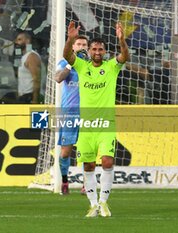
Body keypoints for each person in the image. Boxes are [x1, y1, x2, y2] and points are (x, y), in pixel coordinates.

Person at [63, 21, 129, 217]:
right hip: (87, 126)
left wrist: (122, 40)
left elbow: (125, 56)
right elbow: (66, 55)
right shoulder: (82, 67)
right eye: (94, 49)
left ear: (105, 51)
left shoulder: (111, 67)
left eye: (100, 49)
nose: (97, 52)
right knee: (88, 165)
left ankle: (103, 202)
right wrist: (70, 39)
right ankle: (93, 205)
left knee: (107, 162)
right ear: (89, 51)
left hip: (106, 125)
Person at [54, 35, 89, 195]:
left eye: (84, 44)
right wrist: (70, 64)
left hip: (87, 113)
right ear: (73, 47)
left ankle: (86, 183)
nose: (82, 46)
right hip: (69, 113)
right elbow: (58, 79)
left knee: (86, 150)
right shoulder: (64, 63)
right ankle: (65, 181)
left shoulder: (91, 65)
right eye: (79, 44)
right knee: (65, 152)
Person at [15, 31, 42, 103]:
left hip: (29, 96)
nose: (17, 42)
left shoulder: (31, 56)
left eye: (20, 39)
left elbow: (36, 78)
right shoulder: (24, 56)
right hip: (23, 96)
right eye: (17, 40)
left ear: (27, 41)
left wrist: (35, 99)